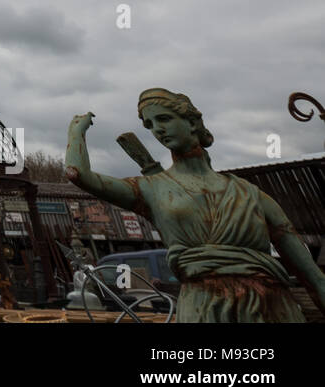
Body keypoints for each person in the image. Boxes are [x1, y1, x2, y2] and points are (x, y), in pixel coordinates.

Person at [66, 88, 325, 322]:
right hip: (204, 308)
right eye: (150, 125)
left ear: (192, 122)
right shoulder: (151, 188)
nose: (157, 129)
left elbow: (310, 273)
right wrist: (76, 131)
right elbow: (79, 175)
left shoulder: (250, 193)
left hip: (272, 308)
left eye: (164, 119)